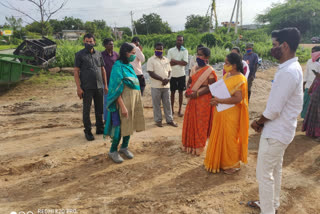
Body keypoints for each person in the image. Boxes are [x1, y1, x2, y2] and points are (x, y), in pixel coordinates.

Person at [249, 27, 303, 214]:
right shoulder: (291, 68)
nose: (272, 49)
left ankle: (268, 210)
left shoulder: (288, 72)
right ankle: (272, 204)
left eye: (274, 45)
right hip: (282, 130)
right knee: (275, 169)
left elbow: (273, 110)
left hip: (276, 132)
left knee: (264, 174)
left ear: (285, 46)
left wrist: (258, 122)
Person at [204, 53, 249, 174]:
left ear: (234, 65)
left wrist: (219, 100)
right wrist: (215, 100)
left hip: (231, 114)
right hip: (220, 111)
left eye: (227, 63)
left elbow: (237, 99)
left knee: (230, 138)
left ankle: (231, 164)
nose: (224, 65)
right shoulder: (228, 75)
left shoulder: (240, 79)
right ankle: (219, 161)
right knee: (219, 135)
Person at [104, 43, 145, 163]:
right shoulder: (118, 66)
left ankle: (124, 147)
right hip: (122, 103)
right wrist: (122, 107)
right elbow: (115, 89)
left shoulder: (129, 66)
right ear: (125, 53)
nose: (134, 55)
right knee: (119, 128)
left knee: (129, 125)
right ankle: (112, 151)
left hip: (132, 101)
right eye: (132, 53)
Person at [182, 47, 217, 155]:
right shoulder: (193, 68)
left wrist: (196, 93)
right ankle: (188, 146)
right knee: (190, 121)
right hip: (192, 99)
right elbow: (190, 81)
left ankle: (198, 147)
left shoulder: (210, 71)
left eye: (201, 55)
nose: (198, 57)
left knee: (200, 124)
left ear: (207, 57)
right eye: (197, 54)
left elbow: (211, 87)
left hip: (203, 101)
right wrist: (188, 90)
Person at [74, 33, 108, 141]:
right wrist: (79, 88)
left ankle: (100, 127)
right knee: (87, 109)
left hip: (99, 86)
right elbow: (76, 71)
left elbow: (103, 69)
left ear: (94, 42)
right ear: (84, 42)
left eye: (91, 41)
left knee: (99, 108)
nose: (89, 43)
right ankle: (88, 131)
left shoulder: (98, 54)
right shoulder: (79, 55)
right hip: (87, 87)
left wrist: (105, 85)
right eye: (87, 41)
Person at [147, 42, 178, 128]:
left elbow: (170, 71)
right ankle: (158, 120)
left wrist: (168, 79)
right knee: (156, 104)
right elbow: (151, 73)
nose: (159, 50)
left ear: (163, 50)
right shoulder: (151, 60)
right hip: (156, 86)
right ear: (154, 49)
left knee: (167, 103)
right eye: (157, 49)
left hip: (166, 86)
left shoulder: (166, 60)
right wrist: (161, 79)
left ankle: (169, 120)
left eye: (160, 49)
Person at [167, 35, 189, 117]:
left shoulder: (185, 51)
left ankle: (180, 110)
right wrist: (180, 62)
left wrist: (174, 61)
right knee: (172, 93)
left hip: (181, 74)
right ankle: (172, 109)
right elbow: (169, 63)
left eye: (181, 40)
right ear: (176, 41)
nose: (179, 41)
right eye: (178, 40)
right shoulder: (171, 50)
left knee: (180, 92)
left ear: (183, 41)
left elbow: (185, 63)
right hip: (172, 75)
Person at [302, 53, 320, 141]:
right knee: (315, 110)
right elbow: (317, 76)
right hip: (317, 87)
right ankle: (313, 132)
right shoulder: (316, 62)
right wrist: (311, 87)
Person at [101, 38, 119, 122]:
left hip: (115, 82)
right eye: (109, 44)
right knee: (107, 102)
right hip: (106, 83)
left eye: (112, 44)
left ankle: (114, 119)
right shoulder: (101, 55)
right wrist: (104, 85)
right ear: (105, 46)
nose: (112, 46)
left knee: (116, 102)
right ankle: (106, 120)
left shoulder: (116, 55)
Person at [301, 46, 320, 118]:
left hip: (316, 88)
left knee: (314, 104)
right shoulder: (309, 61)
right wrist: (303, 84)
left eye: (314, 52)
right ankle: (305, 118)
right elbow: (306, 73)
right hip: (308, 86)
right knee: (305, 102)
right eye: (311, 52)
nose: (312, 53)